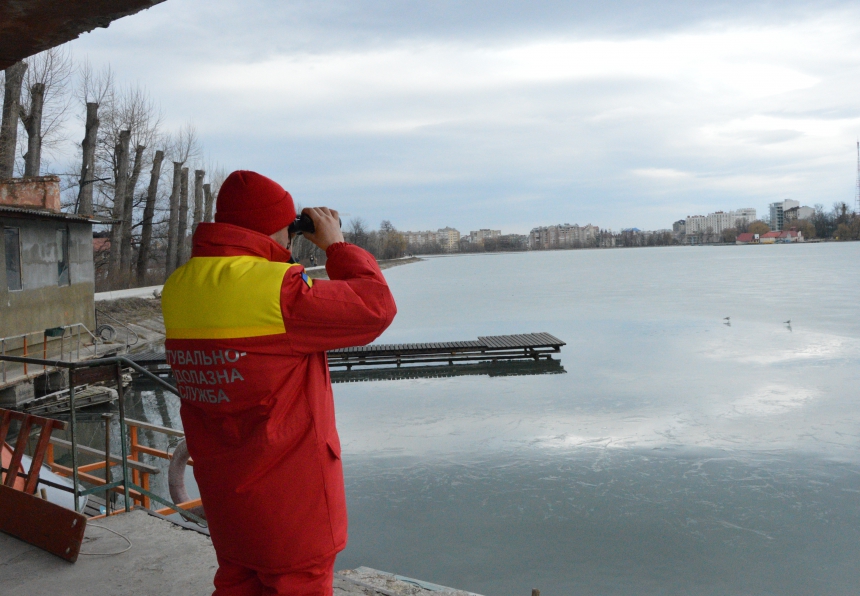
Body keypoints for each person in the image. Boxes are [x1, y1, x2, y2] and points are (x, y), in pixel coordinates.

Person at [161, 170, 397, 596]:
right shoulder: (281, 293)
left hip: (225, 493)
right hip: (290, 501)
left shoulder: (179, 287)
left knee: (237, 582)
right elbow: (375, 307)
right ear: (276, 228)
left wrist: (280, 249)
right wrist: (336, 245)